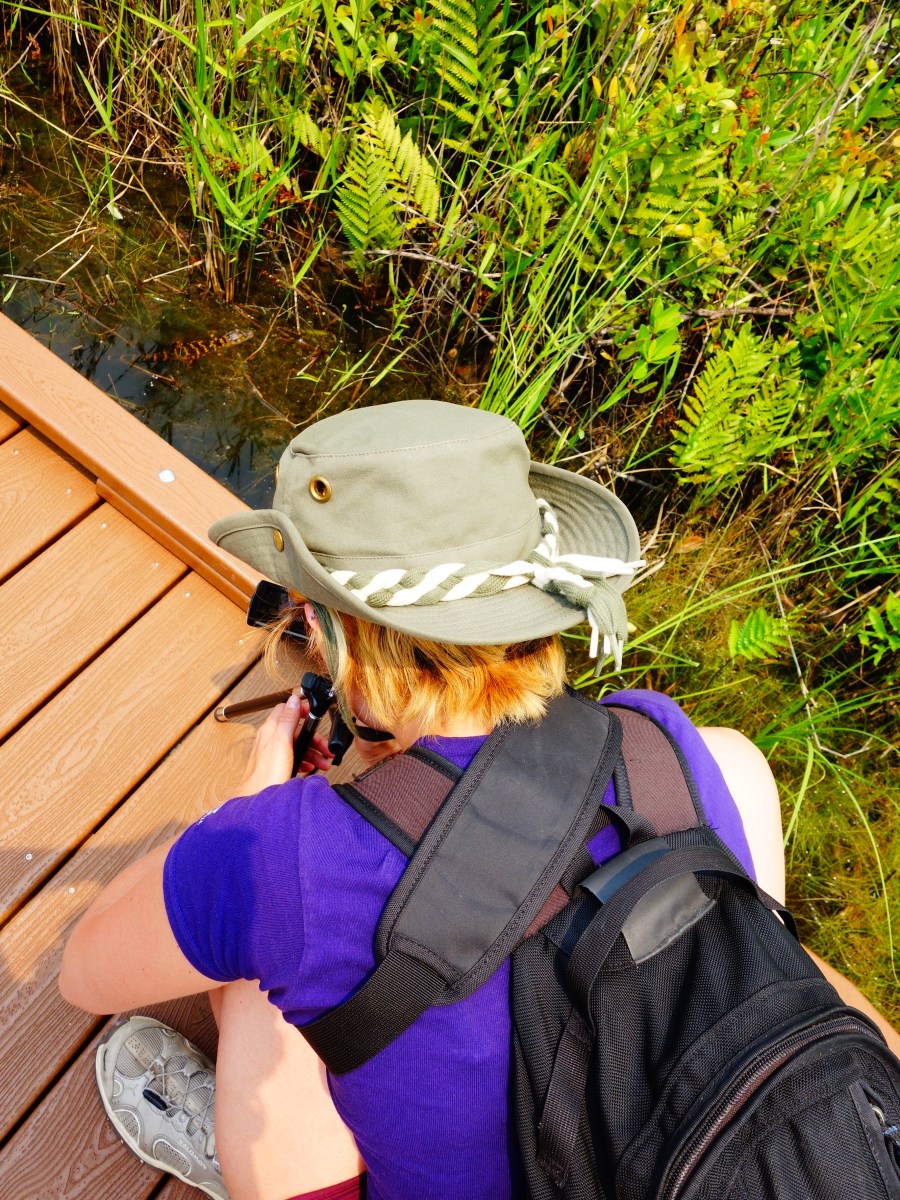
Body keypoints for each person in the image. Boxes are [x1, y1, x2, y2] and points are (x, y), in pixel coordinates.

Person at [59, 400, 899, 1200]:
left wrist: (245, 813)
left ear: (340, 637)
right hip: (757, 1143)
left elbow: (83, 974)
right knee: (736, 765)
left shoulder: (286, 855)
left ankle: (235, 1155)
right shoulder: (655, 735)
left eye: (303, 618)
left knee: (252, 970)